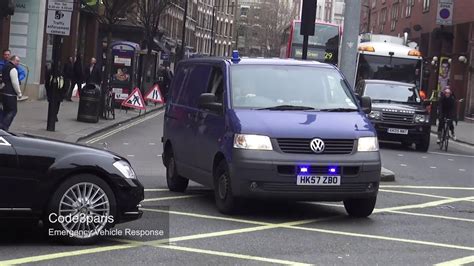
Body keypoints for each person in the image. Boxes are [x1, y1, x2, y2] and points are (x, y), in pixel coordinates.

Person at [0, 55, 22, 131]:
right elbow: (15, 82)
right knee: (13, 110)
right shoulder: (13, 69)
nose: (18, 63)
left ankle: (2, 124)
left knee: (6, 110)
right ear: (13, 60)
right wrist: (19, 93)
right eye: (17, 61)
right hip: (10, 93)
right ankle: (4, 126)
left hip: (3, 92)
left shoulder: (5, 66)